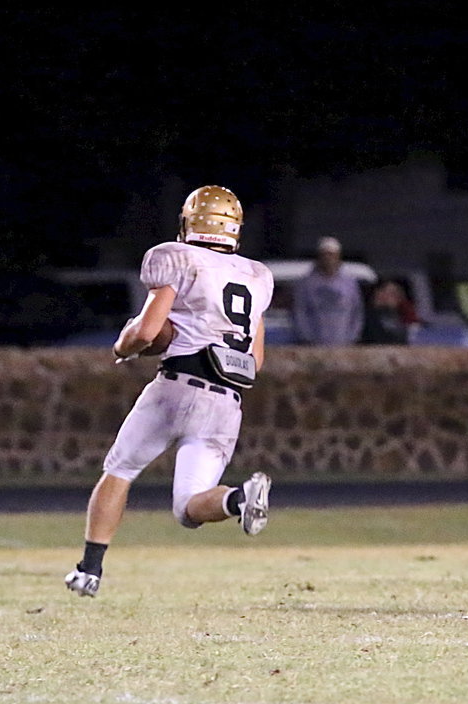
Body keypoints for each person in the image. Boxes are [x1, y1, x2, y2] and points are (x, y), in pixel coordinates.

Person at [65, 185, 274, 598]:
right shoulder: (257, 276)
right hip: (227, 399)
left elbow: (146, 330)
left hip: (178, 385)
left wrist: (123, 347)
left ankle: (89, 570)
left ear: (188, 222)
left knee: (121, 469)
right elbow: (257, 359)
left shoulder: (177, 258)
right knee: (189, 506)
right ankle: (238, 498)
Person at [292, 236, 364, 345]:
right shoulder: (306, 284)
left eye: (332, 255)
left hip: (343, 344)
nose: (328, 259)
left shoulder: (350, 283)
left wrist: (352, 338)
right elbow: (300, 312)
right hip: (314, 345)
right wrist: (307, 338)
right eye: (325, 255)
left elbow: (357, 312)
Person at [361, 279, 415, 344]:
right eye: (392, 294)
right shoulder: (366, 317)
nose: (397, 298)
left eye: (398, 295)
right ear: (379, 293)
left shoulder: (399, 315)